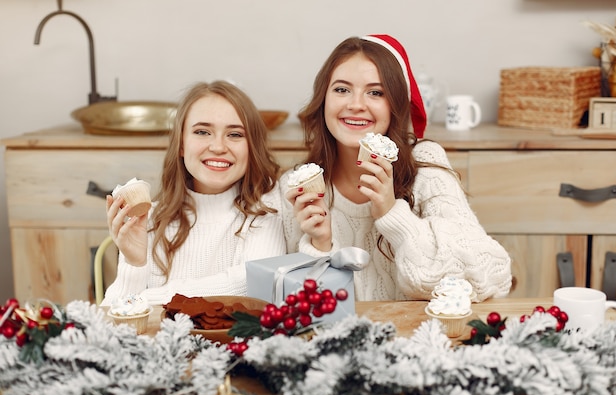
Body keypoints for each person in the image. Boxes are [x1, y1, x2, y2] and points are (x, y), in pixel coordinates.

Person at [280, 34, 512, 302]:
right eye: (342, 89)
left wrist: (393, 215)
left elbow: (493, 277)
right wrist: (319, 245)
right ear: (323, 100)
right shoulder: (296, 190)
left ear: (396, 106)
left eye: (375, 93)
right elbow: (290, 309)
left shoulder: (425, 166)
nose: (355, 105)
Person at [102, 80, 285, 305]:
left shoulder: (267, 205)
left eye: (235, 135)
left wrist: (149, 299)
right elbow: (114, 317)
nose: (218, 147)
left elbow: (252, 281)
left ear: (251, 147)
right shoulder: (151, 218)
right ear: (181, 144)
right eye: (202, 132)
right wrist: (133, 263)